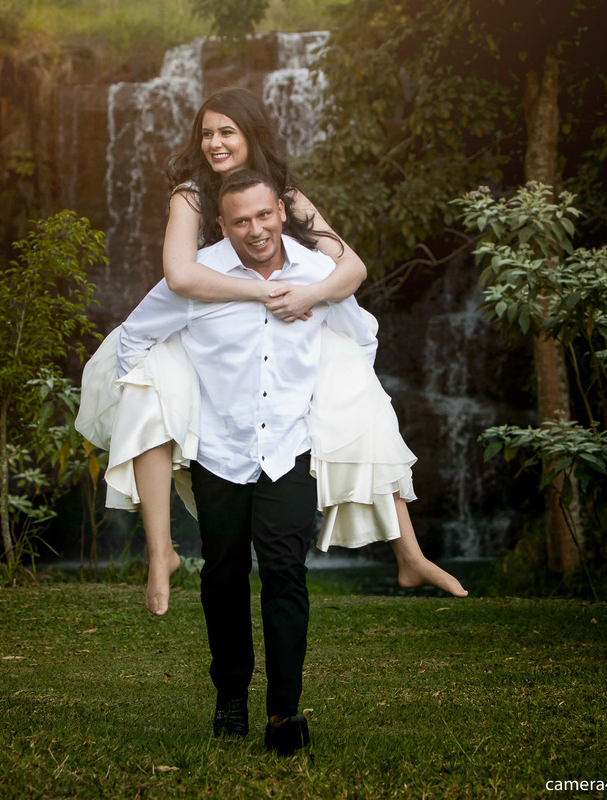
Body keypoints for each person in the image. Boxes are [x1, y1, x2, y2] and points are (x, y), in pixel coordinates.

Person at [76, 88, 465, 616]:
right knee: (148, 382)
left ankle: (410, 554)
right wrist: (264, 291)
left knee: (358, 389)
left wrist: (303, 294)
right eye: (207, 132)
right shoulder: (191, 195)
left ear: (251, 135)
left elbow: (351, 269)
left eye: (227, 131)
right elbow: (180, 275)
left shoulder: (289, 193)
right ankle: (160, 551)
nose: (214, 142)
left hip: (295, 319)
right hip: (216, 324)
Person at [118, 169, 379, 754]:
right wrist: (159, 401)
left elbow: (359, 337)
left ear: (282, 213)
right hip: (221, 451)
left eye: (264, 216)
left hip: (289, 449)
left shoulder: (317, 274)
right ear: (222, 225)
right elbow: (134, 339)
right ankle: (230, 696)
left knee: (287, 576)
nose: (255, 230)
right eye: (241, 221)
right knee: (225, 576)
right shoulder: (197, 276)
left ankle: (284, 716)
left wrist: (335, 404)